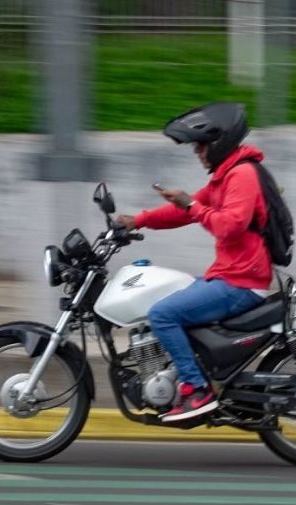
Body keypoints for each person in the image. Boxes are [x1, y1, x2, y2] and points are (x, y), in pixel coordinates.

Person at [115, 102, 272, 422]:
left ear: (220, 142)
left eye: (201, 145)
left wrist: (192, 206)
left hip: (241, 282)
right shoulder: (228, 175)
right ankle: (193, 374)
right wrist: (139, 220)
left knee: (162, 314)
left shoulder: (241, 175)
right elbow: (186, 209)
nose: (197, 152)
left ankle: (197, 389)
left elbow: (229, 226)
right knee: (167, 298)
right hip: (229, 276)